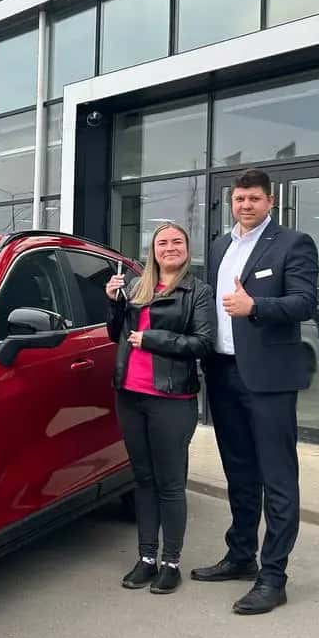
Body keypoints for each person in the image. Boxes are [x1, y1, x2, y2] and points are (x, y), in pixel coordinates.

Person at [191, 168, 319, 615]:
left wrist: (255, 306)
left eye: (254, 199)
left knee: (277, 478)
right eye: (239, 199)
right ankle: (241, 555)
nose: (245, 205)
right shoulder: (220, 246)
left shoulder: (293, 244)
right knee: (239, 472)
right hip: (223, 373)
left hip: (268, 380)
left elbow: (305, 302)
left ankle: (274, 576)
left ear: (270, 202)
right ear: (232, 202)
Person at [106, 222, 215, 595]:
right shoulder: (137, 286)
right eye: (162, 243)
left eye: (177, 242)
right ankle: (146, 558)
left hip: (171, 398)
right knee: (143, 480)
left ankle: (171, 563)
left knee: (170, 483)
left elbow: (203, 342)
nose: (170, 248)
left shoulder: (197, 291)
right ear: (152, 251)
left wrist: (152, 339)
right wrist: (113, 301)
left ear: (187, 248)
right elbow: (116, 334)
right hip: (130, 395)